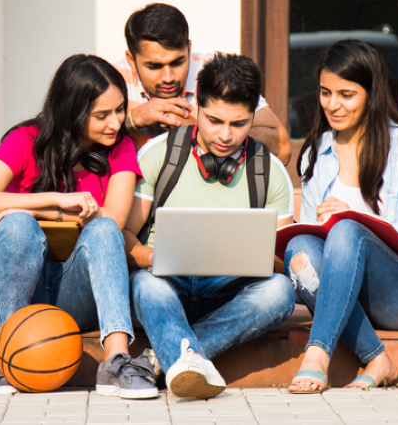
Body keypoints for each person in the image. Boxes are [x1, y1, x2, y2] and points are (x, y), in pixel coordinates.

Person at [0, 55, 158, 398]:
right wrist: (51, 202)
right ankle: (9, 358)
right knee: (17, 226)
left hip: (72, 293)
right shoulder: (25, 138)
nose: (116, 123)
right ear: (71, 111)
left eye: (120, 110)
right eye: (102, 115)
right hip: (8, 293)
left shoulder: (120, 148)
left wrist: (35, 209)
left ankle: (117, 361)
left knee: (106, 231)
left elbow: (114, 219)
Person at [123, 52, 296, 399]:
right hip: (165, 286)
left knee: (280, 291)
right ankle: (186, 360)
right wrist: (148, 257)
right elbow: (124, 235)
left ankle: (160, 360)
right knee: (146, 285)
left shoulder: (269, 170)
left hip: (229, 294)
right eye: (214, 120)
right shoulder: (160, 155)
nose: (225, 135)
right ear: (196, 108)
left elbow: (283, 255)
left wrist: (259, 258)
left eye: (239, 124)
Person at [283, 39, 398, 393]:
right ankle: (377, 358)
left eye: (346, 94)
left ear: (372, 94)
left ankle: (318, 353)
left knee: (349, 229)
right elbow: (312, 236)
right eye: (325, 93)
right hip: (340, 287)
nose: (332, 105)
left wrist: (355, 220)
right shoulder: (316, 153)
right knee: (298, 246)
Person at [115, 3, 292, 165]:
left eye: (178, 62)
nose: (168, 77)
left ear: (189, 48)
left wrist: (198, 132)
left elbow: (282, 148)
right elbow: (87, 143)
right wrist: (135, 118)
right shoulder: (112, 81)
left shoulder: (216, 73)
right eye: (154, 66)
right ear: (131, 60)